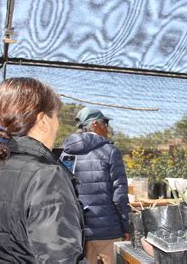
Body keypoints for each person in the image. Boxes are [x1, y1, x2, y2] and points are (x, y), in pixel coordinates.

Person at [0, 78, 84, 262]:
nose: (58, 124)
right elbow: (61, 258)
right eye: (56, 116)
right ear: (43, 120)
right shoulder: (46, 176)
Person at [61, 107, 130, 264]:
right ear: (95, 124)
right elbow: (119, 195)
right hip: (109, 230)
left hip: (80, 232)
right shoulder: (110, 152)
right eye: (105, 123)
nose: (107, 128)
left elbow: (63, 190)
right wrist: (126, 226)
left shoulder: (67, 154)